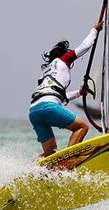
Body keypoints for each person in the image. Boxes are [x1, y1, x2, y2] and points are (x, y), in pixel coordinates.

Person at [28, 20, 104, 157]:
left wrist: (79, 93)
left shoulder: (45, 73)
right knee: (82, 127)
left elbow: (57, 96)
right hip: (48, 106)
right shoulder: (63, 59)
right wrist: (95, 30)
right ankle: (67, 161)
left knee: (50, 154)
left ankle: (31, 172)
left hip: (33, 111)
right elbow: (84, 47)